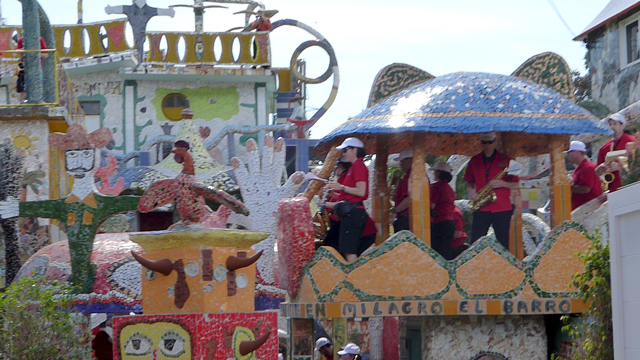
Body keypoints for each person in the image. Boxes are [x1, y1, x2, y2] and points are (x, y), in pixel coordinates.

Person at [463, 132, 519, 250]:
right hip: (481, 205)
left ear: (495, 142)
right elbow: (469, 181)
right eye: (484, 142)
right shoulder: (474, 160)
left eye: (490, 142)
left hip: (502, 207)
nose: (487, 145)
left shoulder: (507, 160)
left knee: (503, 242)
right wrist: (471, 191)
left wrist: (502, 183)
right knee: (476, 241)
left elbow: (516, 184)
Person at [325, 137, 375, 262]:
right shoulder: (354, 167)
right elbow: (350, 195)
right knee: (347, 250)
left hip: (354, 213)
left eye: (346, 150)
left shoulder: (359, 166)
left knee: (349, 251)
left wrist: (341, 187)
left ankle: (354, 279)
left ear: (355, 150)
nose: (344, 153)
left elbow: (361, 191)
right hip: (350, 212)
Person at [596, 113, 636, 192]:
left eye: (615, 124)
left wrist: (620, 166)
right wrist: (601, 168)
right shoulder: (604, 148)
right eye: (610, 124)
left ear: (623, 126)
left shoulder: (633, 141)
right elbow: (597, 173)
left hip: (631, 187)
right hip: (612, 190)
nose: (612, 126)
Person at [429, 162, 456, 260]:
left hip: (440, 223)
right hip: (450, 223)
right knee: (446, 252)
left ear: (439, 173)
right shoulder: (450, 189)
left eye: (435, 172)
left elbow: (431, 205)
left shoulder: (436, 187)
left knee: (438, 253)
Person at [323, 159, 351, 251]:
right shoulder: (343, 177)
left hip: (340, 216)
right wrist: (330, 193)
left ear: (340, 166)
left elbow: (343, 199)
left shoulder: (345, 177)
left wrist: (325, 203)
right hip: (338, 215)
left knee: (330, 245)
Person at [566, 141, 602, 209]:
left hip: (589, 210)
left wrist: (567, 187)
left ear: (577, 152)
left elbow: (586, 189)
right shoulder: (579, 168)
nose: (567, 156)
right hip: (583, 209)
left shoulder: (588, 167)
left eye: (569, 153)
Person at [16, 36, 48, 102]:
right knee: (22, 90)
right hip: (23, 69)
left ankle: (38, 103)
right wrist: (24, 50)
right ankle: (22, 105)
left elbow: (45, 55)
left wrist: (35, 53)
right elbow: (17, 51)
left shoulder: (40, 39)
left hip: (37, 69)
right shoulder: (21, 39)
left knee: (37, 88)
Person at [390, 149, 412, 232]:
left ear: (409, 160)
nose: (401, 164)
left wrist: (395, 211)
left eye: (402, 162)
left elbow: (409, 199)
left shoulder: (410, 176)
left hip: (406, 217)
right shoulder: (411, 175)